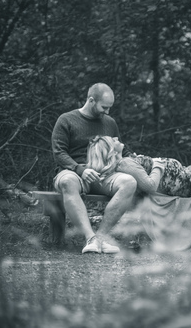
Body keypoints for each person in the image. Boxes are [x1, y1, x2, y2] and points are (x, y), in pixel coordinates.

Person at [51, 83, 138, 254]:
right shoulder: (66, 120)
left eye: (110, 108)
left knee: (129, 182)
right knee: (67, 181)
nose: (107, 112)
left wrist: (135, 158)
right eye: (104, 107)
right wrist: (80, 170)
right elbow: (59, 153)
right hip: (74, 172)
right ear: (91, 100)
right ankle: (89, 237)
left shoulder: (109, 123)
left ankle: (101, 238)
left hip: (104, 174)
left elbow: (119, 147)